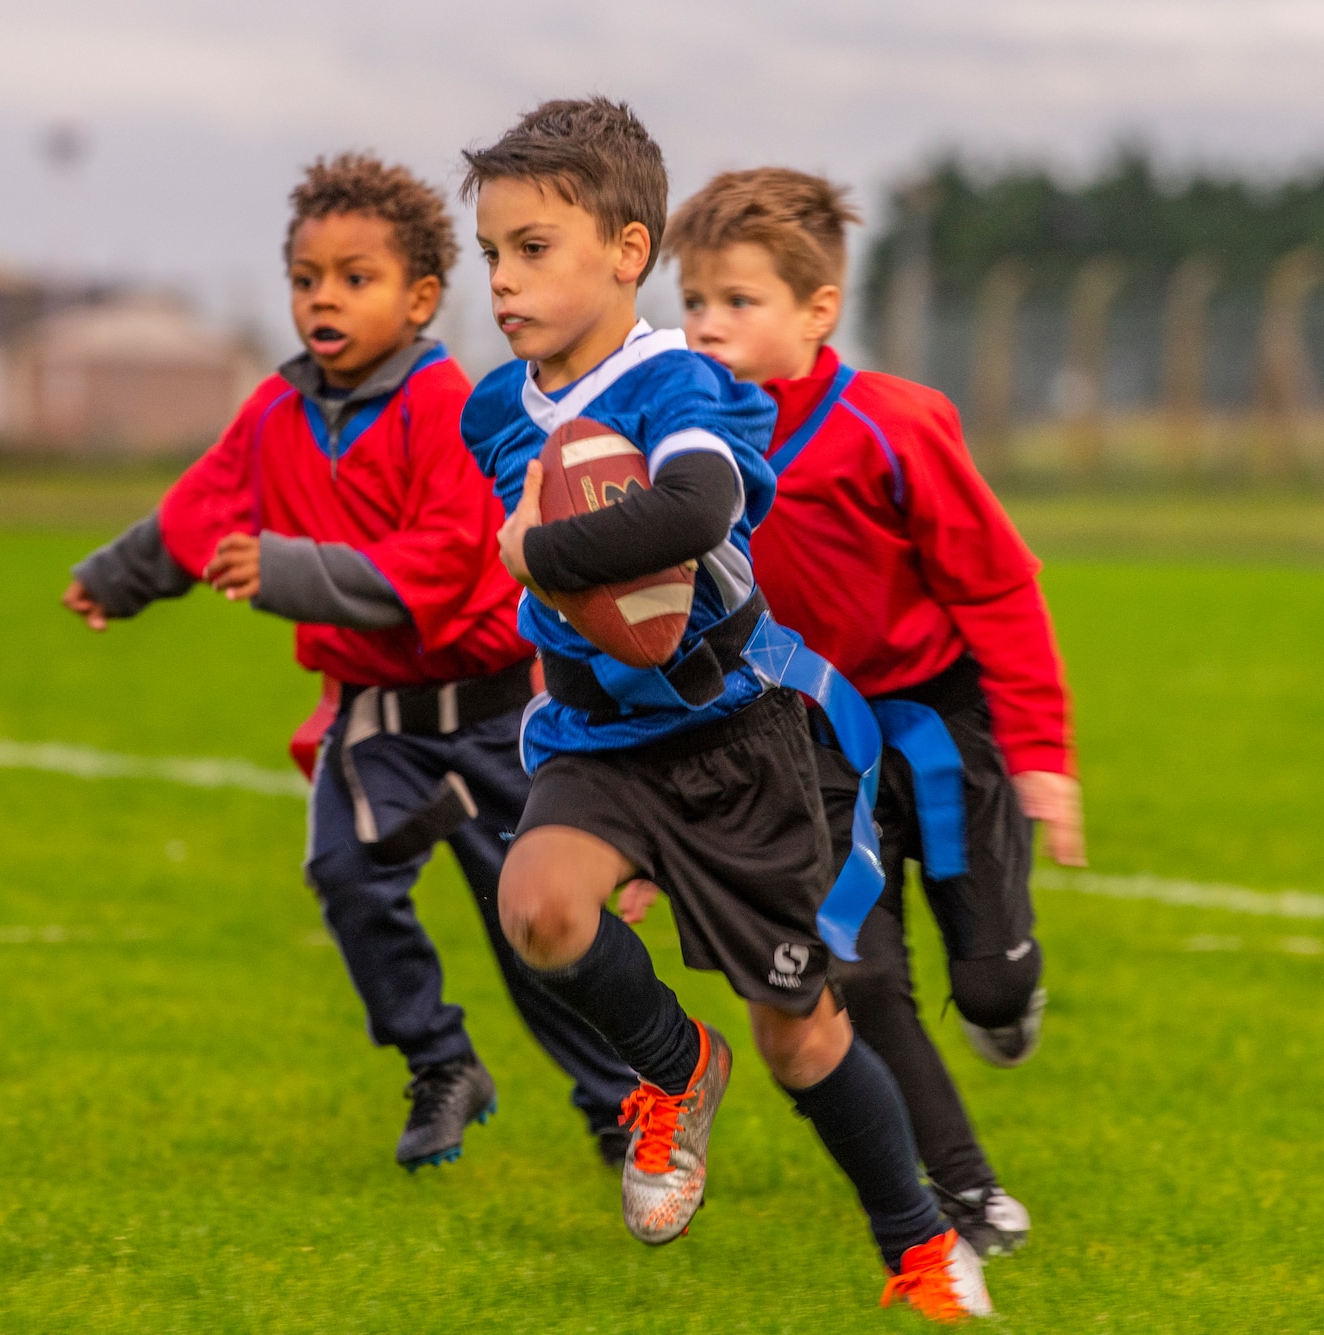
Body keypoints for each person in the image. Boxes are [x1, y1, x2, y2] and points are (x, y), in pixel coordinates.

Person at [459, 98, 992, 1320]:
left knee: (799, 1036)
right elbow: (540, 570)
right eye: (490, 252)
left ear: (627, 252)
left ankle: (914, 1246)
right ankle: (668, 1066)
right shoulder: (494, 408)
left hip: (732, 743)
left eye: (532, 248)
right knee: (537, 909)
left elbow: (694, 512)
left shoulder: (684, 384)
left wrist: (543, 552)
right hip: (596, 739)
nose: (501, 278)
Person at [62, 153, 640, 1172]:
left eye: (354, 277)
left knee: (535, 932)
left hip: (494, 720)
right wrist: (116, 576)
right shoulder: (275, 411)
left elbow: (445, 560)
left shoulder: (446, 405)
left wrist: (287, 569)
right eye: (305, 277)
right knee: (343, 871)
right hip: (376, 726)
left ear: (420, 297)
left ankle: (622, 1105)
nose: (323, 297)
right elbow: (201, 505)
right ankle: (439, 1062)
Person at [661, 166, 1084, 1259]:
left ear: (816, 311)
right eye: (692, 300)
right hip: (803, 746)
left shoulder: (894, 424)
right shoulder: (672, 447)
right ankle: (963, 1191)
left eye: (736, 302)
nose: (706, 325)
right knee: (857, 977)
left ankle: (1002, 996)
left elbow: (996, 587)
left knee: (987, 980)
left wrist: (1041, 754)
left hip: (939, 724)